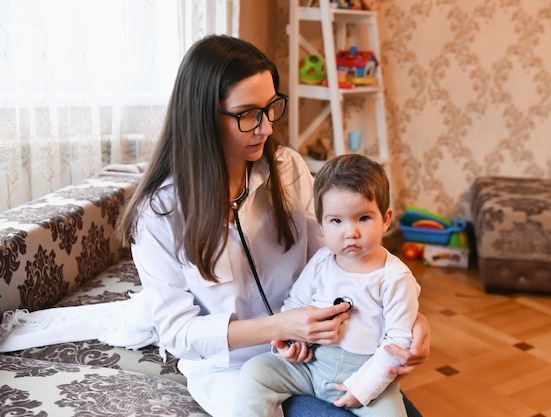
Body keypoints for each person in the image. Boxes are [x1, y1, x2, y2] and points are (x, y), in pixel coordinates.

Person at [115, 34, 430, 417]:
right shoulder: (159, 214)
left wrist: (409, 319)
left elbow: (338, 262)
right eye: (247, 114)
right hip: (234, 369)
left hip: (320, 350)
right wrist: (281, 327)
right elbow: (180, 334)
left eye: (270, 108)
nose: (265, 127)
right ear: (203, 117)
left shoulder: (287, 168)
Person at [232, 154, 421, 417]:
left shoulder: (395, 277)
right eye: (337, 221)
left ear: (386, 219)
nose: (350, 232)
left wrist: (363, 388)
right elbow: (296, 305)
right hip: (310, 366)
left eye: (364, 218)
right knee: (255, 371)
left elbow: (398, 342)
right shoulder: (322, 261)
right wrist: (291, 343)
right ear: (321, 224)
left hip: (361, 373)